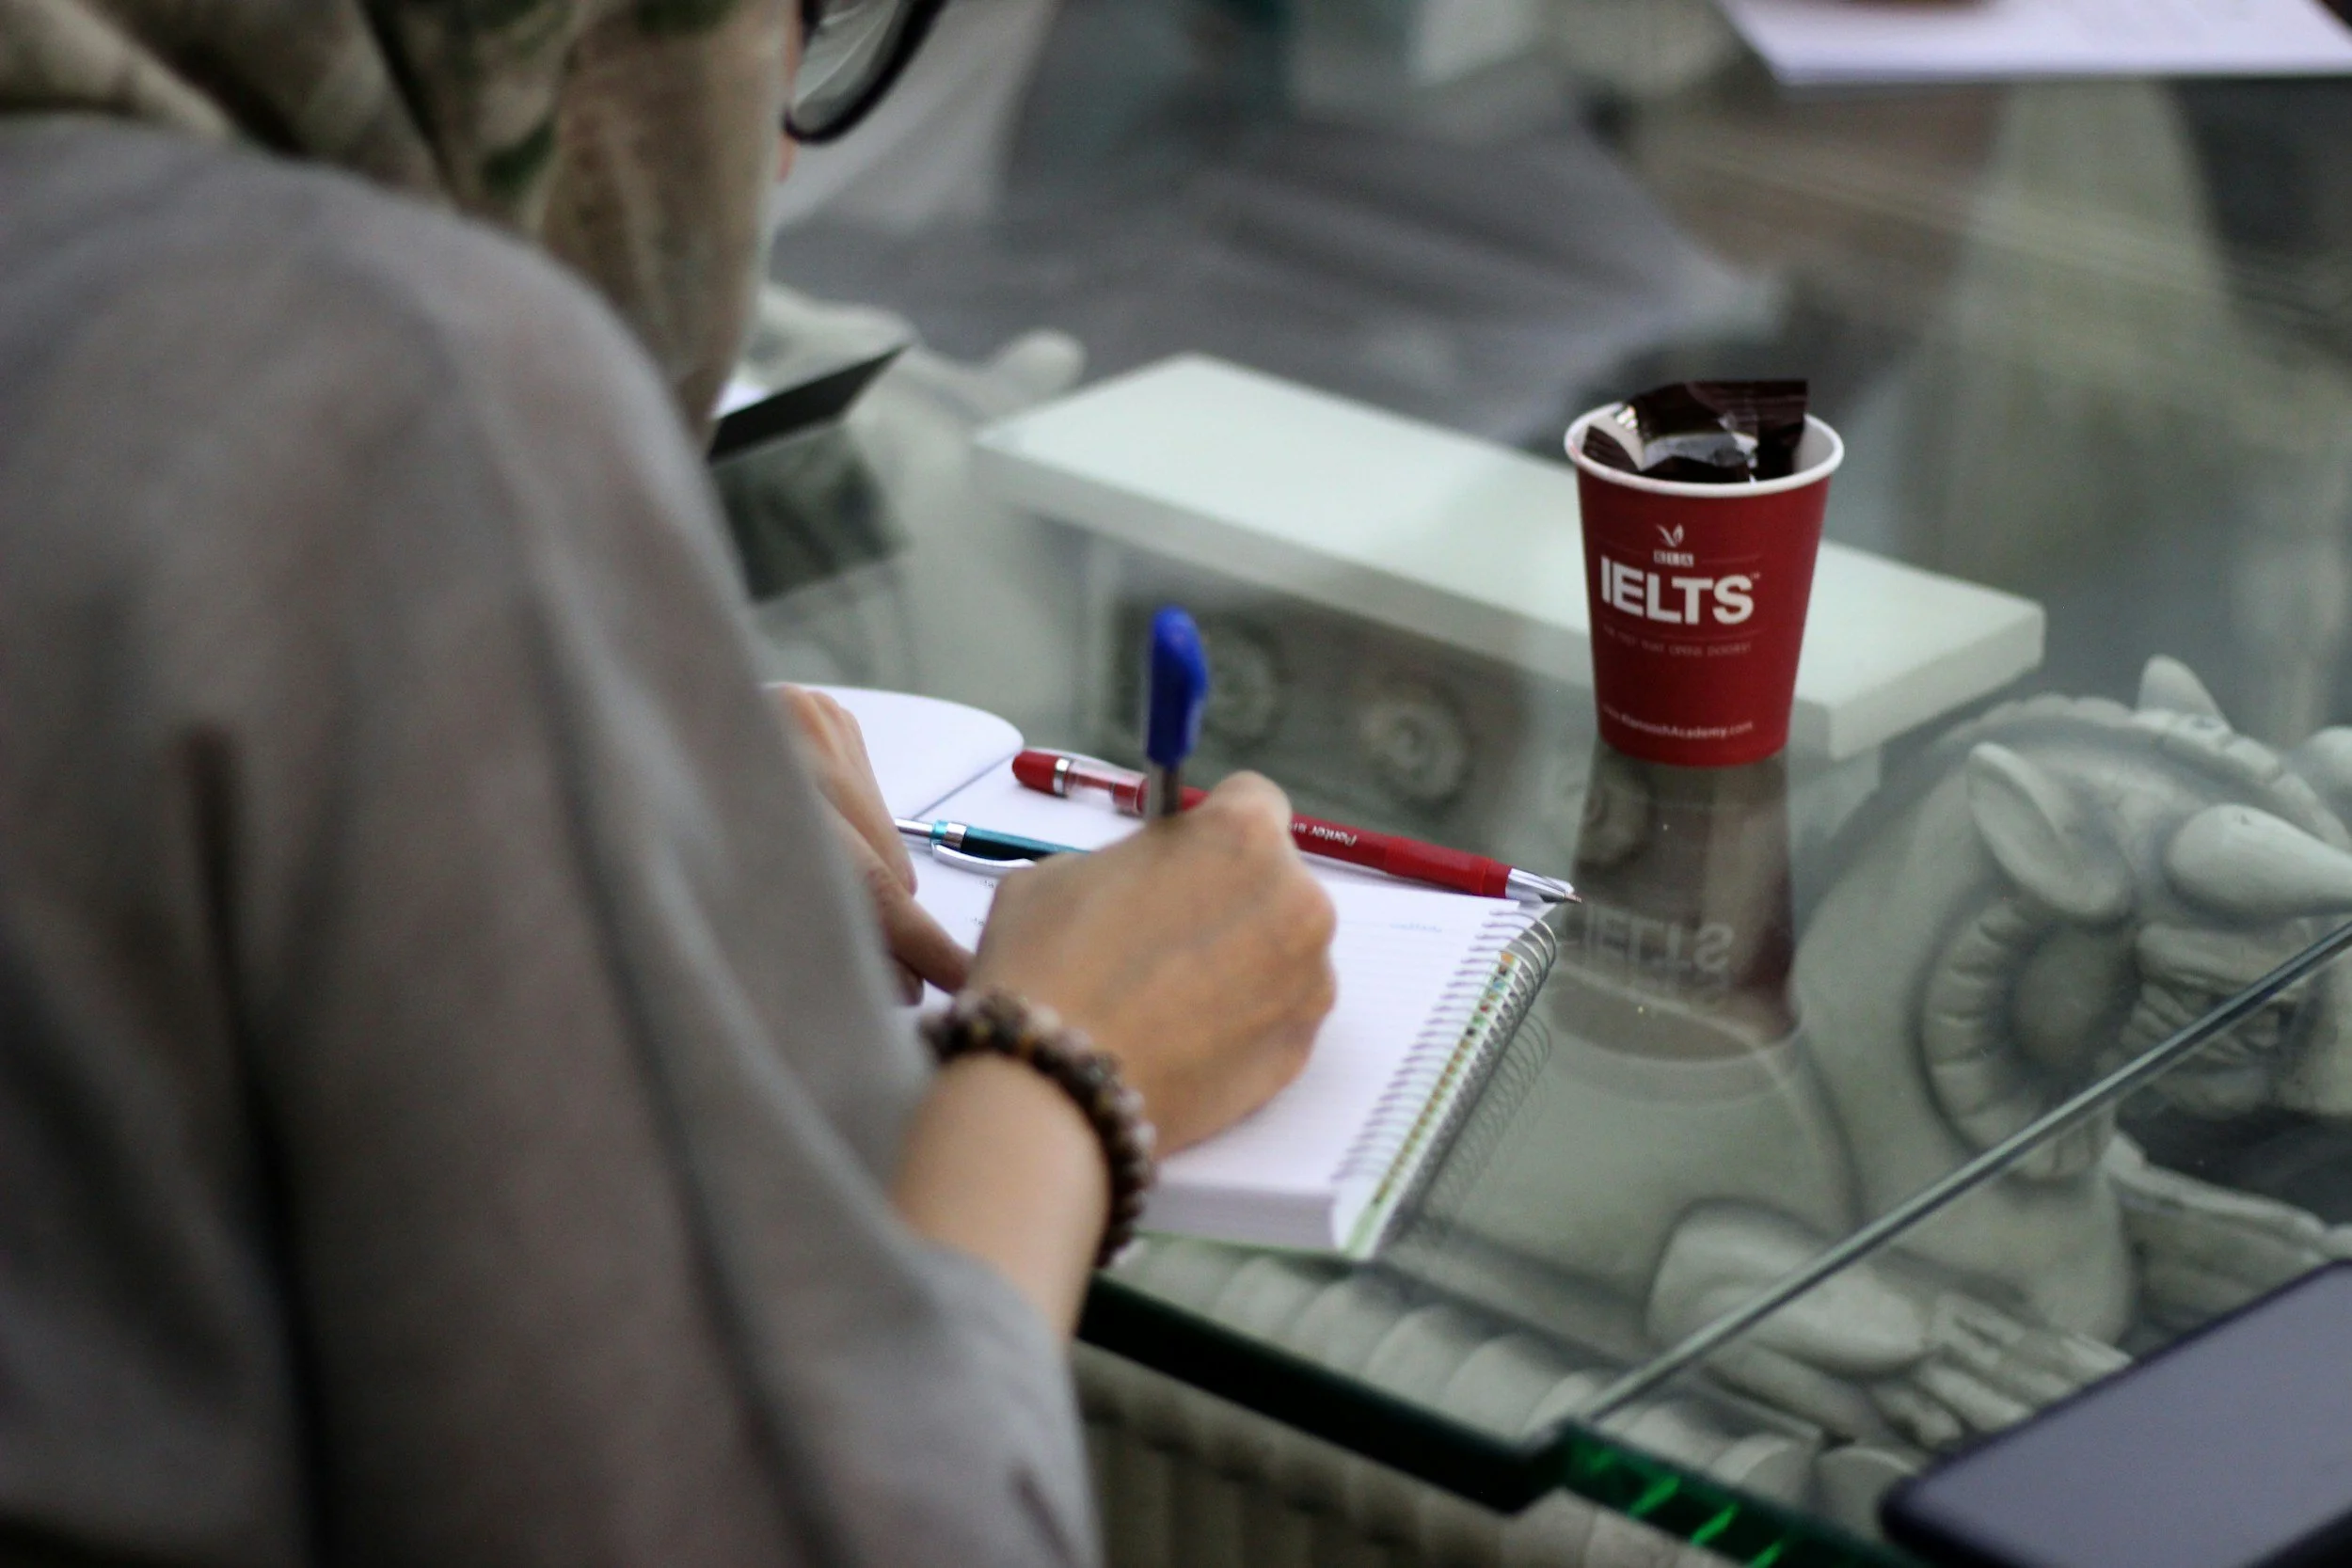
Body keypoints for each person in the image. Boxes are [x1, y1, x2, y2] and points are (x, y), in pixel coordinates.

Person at [0, 5, 1337, 1566]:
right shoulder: (401, 380)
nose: (775, 143)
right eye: (797, 19)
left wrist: (531, 722)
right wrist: (1070, 1067)